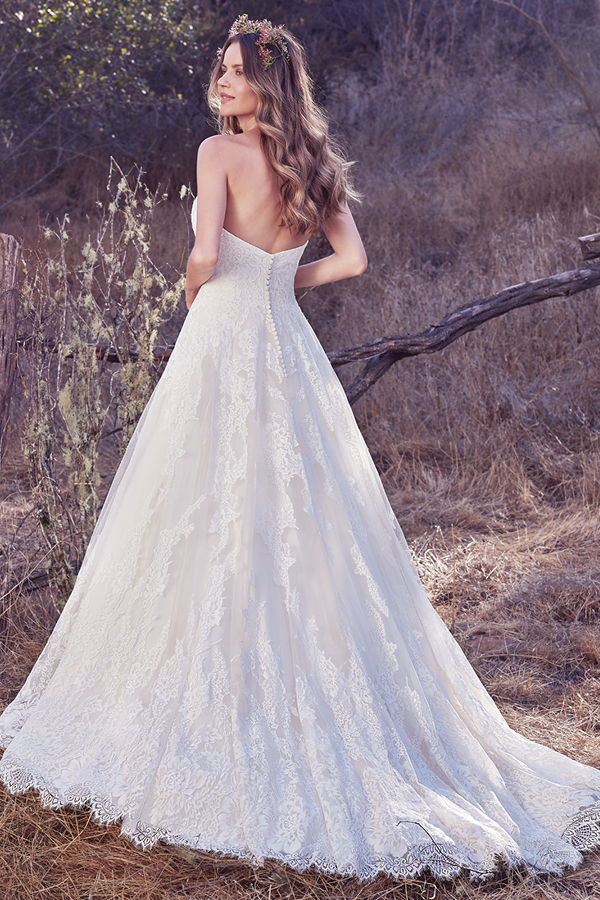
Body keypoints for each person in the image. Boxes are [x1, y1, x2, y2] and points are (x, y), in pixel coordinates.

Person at [1, 14, 600, 883]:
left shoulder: (218, 153)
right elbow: (351, 261)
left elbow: (203, 255)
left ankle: (210, 701)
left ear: (264, 84)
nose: (222, 82)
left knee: (202, 506)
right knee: (303, 516)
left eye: (237, 72)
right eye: (220, 68)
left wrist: (207, 277)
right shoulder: (311, 164)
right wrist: (283, 275)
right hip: (285, 345)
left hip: (224, 340)